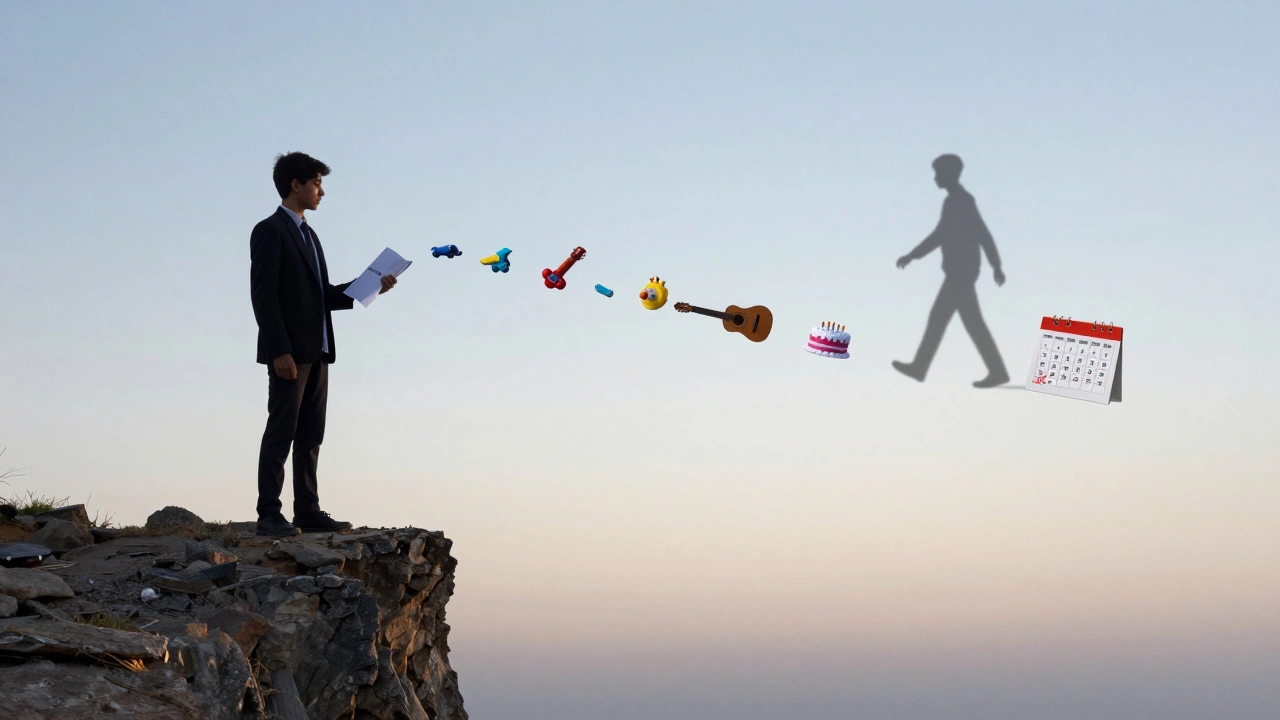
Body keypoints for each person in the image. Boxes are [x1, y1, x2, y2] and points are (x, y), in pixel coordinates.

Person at [249, 152, 395, 537]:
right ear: (295, 184)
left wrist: (371, 287)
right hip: (290, 353)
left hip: (319, 350)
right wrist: (279, 350)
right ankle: (269, 515)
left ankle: (308, 512)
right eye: (316, 182)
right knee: (282, 430)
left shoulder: (310, 235)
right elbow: (263, 296)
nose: (322, 191)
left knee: (312, 433)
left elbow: (321, 294)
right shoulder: (269, 230)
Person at [893, 154, 1009, 388]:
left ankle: (919, 367)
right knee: (971, 322)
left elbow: (975, 233)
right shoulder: (957, 200)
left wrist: (996, 265)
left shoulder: (960, 201)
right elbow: (948, 234)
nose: (935, 178)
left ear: (949, 174)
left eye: (938, 173)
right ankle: (996, 371)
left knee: (940, 318)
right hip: (961, 272)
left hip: (961, 273)